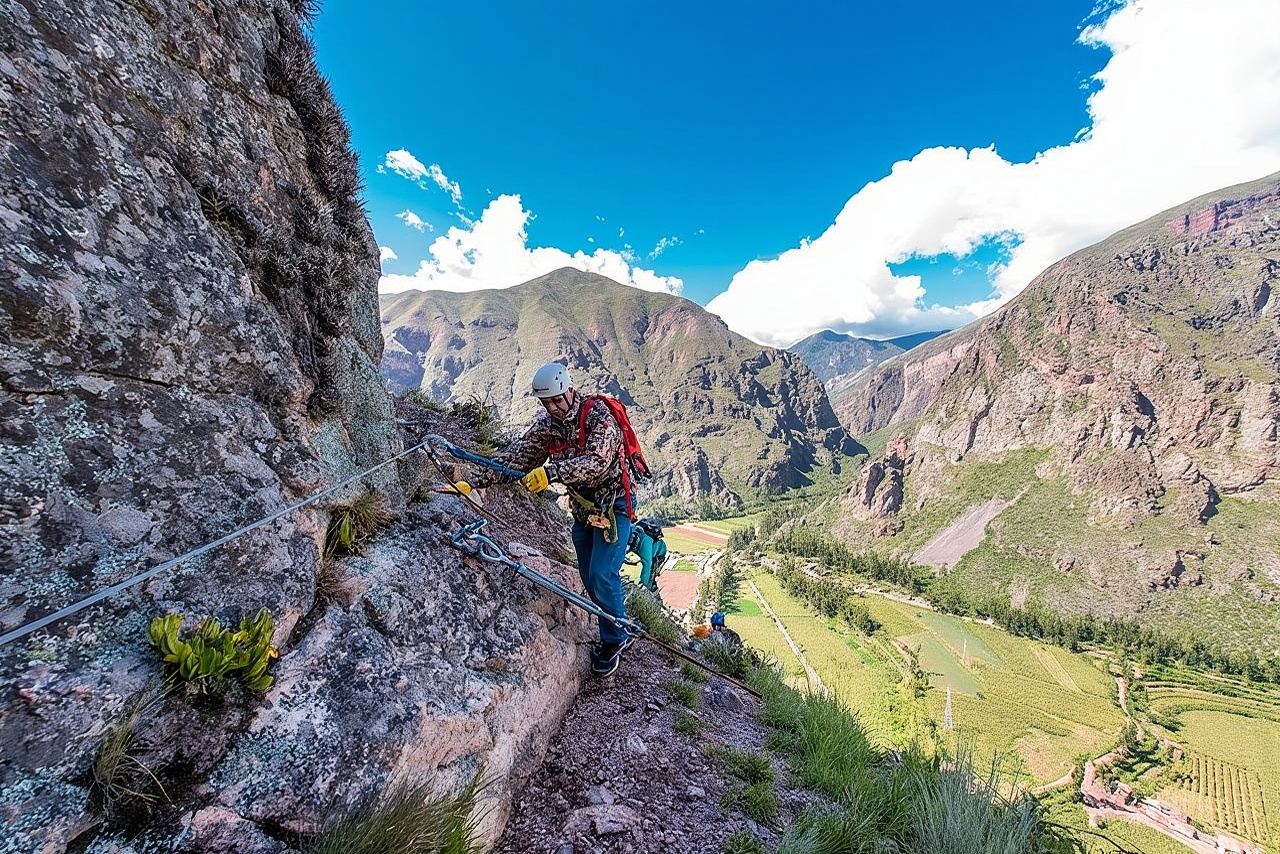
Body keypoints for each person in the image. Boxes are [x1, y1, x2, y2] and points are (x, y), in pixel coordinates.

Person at [449, 362, 637, 676]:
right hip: (584, 511)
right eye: (545, 402)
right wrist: (474, 480)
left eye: (556, 399)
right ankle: (614, 621)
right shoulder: (547, 426)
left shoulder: (599, 418)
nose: (552, 406)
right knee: (590, 577)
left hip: (614, 507)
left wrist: (551, 472)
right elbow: (517, 457)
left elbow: (598, 463)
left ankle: (616, 637)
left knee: (603, 574)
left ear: (569, 391)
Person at [628, 518, 667, 596]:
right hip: (649, 548)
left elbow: (647, 565)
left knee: (650, 577)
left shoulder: (645, 542)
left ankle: (649, 594)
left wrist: (642, 588)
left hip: (659, 554)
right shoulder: (633, 532)